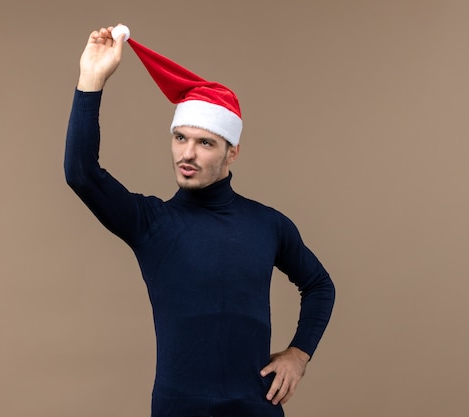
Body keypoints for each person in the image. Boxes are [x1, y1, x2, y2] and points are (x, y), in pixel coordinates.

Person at [64, 24, 335, 417]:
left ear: (232, 151)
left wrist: (300, 354)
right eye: (179, 137)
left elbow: (319, 285)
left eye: (204, 142)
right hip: (178, 409)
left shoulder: (269, 224)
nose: (186, 154)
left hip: (257, 408)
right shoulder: (150, 222)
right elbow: (81, 173)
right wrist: (91, 78)